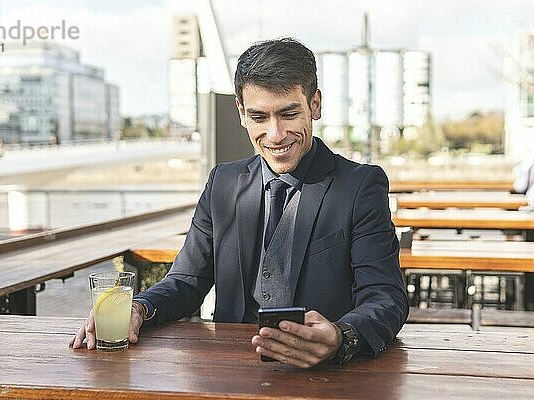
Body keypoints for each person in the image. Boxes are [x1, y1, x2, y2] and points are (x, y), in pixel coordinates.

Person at [70, 38, 408, 368]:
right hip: (227, 372)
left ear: (315, 105)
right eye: (259, 117)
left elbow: (385, 296)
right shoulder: (222, 183)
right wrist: (139, 307)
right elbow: (186, 281)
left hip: (324, 378)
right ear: (241, 112)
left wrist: (341, 337)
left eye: (288, 114)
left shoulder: (360, 186)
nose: (275, 135)